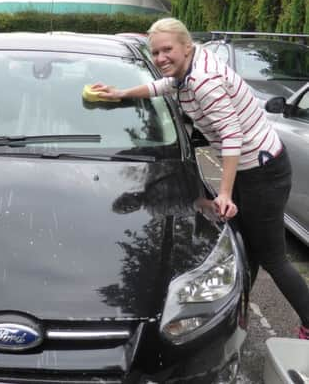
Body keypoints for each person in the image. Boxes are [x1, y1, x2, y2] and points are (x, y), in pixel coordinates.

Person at [91, 17, 309, 339]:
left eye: (168, 50)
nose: (161, 57)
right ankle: (237, 307)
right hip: (253, 167)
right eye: (156, 52)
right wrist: (122, 92)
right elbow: (163, 85)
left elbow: (231, 135)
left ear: (187, 47)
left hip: (263, 171)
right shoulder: (185, 70)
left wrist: (224, 193)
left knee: (273, 256)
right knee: (248, 246)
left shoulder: (204, 81)